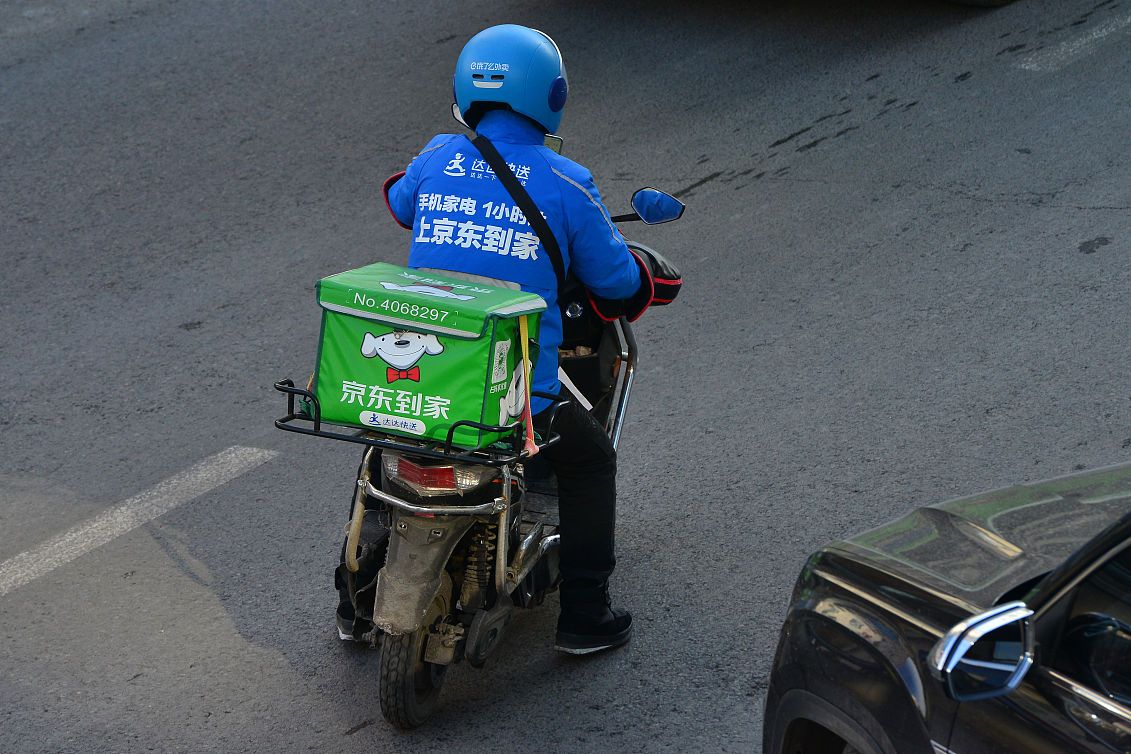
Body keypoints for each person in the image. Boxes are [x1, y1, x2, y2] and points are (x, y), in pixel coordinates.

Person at [374, 24, 680, 654]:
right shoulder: (566, 182)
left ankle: (354, 602)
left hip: (421, 379)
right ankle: (585, 615)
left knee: (386, 449)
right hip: (515, 400)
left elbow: (401, 203)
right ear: (551, 94)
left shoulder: (436, 155)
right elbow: (619, 283)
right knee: (591, 462)